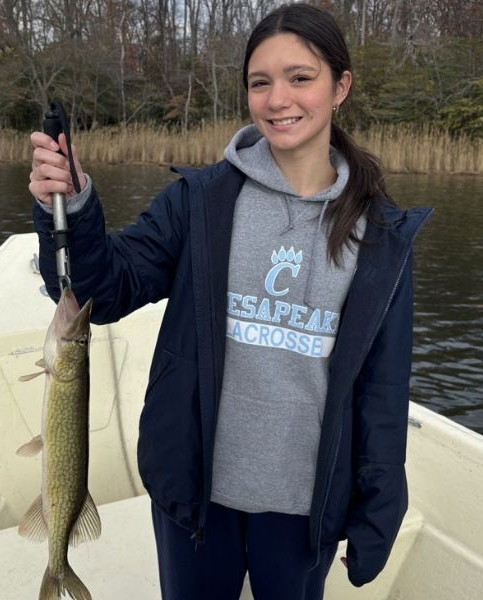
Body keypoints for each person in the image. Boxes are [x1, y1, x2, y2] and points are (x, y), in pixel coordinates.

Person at [28, 3, 432, 599]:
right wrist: (72, 204)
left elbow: (382, 391)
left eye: (301, 78)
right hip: (195, 496)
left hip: (301, 511)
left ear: (340, 86)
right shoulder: (200, 201)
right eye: (260, 82)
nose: (278, 99)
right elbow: (104, 290)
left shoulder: (380, 236)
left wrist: (378, 512)